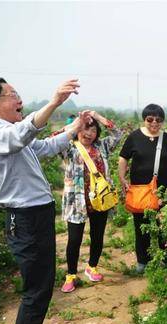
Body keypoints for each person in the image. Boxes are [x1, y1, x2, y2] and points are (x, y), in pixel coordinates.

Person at [0, 77, 89, 324]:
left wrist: (74, 129)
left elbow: (42, 146)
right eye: (12, 94)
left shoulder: (14, 134)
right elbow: (20, 136)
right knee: (35, 288)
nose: (19, 99)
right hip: (24, 218)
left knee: (45, 279)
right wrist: (54, 103)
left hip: (37, 215)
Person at [61, 112, 125, 293]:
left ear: (97, 133)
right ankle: (71, 274)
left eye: (93, 129)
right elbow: (53, 138)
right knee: (74, 239)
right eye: (84, 128)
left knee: (98, 236)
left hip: (100, 199)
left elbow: (118, 134)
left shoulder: (102, 146)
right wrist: (75, 124)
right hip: (77, 201)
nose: (88, 133)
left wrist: (97, 116)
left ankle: (92, 266)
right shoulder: (68, 148)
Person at [119, 104, 167, 274]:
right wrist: (122, 179)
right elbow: (123, 158)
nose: (154, 123)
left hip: (164, 191)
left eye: (158, 120)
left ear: (162, 121)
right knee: (142, 227)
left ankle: (166, 260)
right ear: (144, 119)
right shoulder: (134, 137)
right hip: (140, 190)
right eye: (150, 119)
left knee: (165, 226)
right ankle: (142, 262)